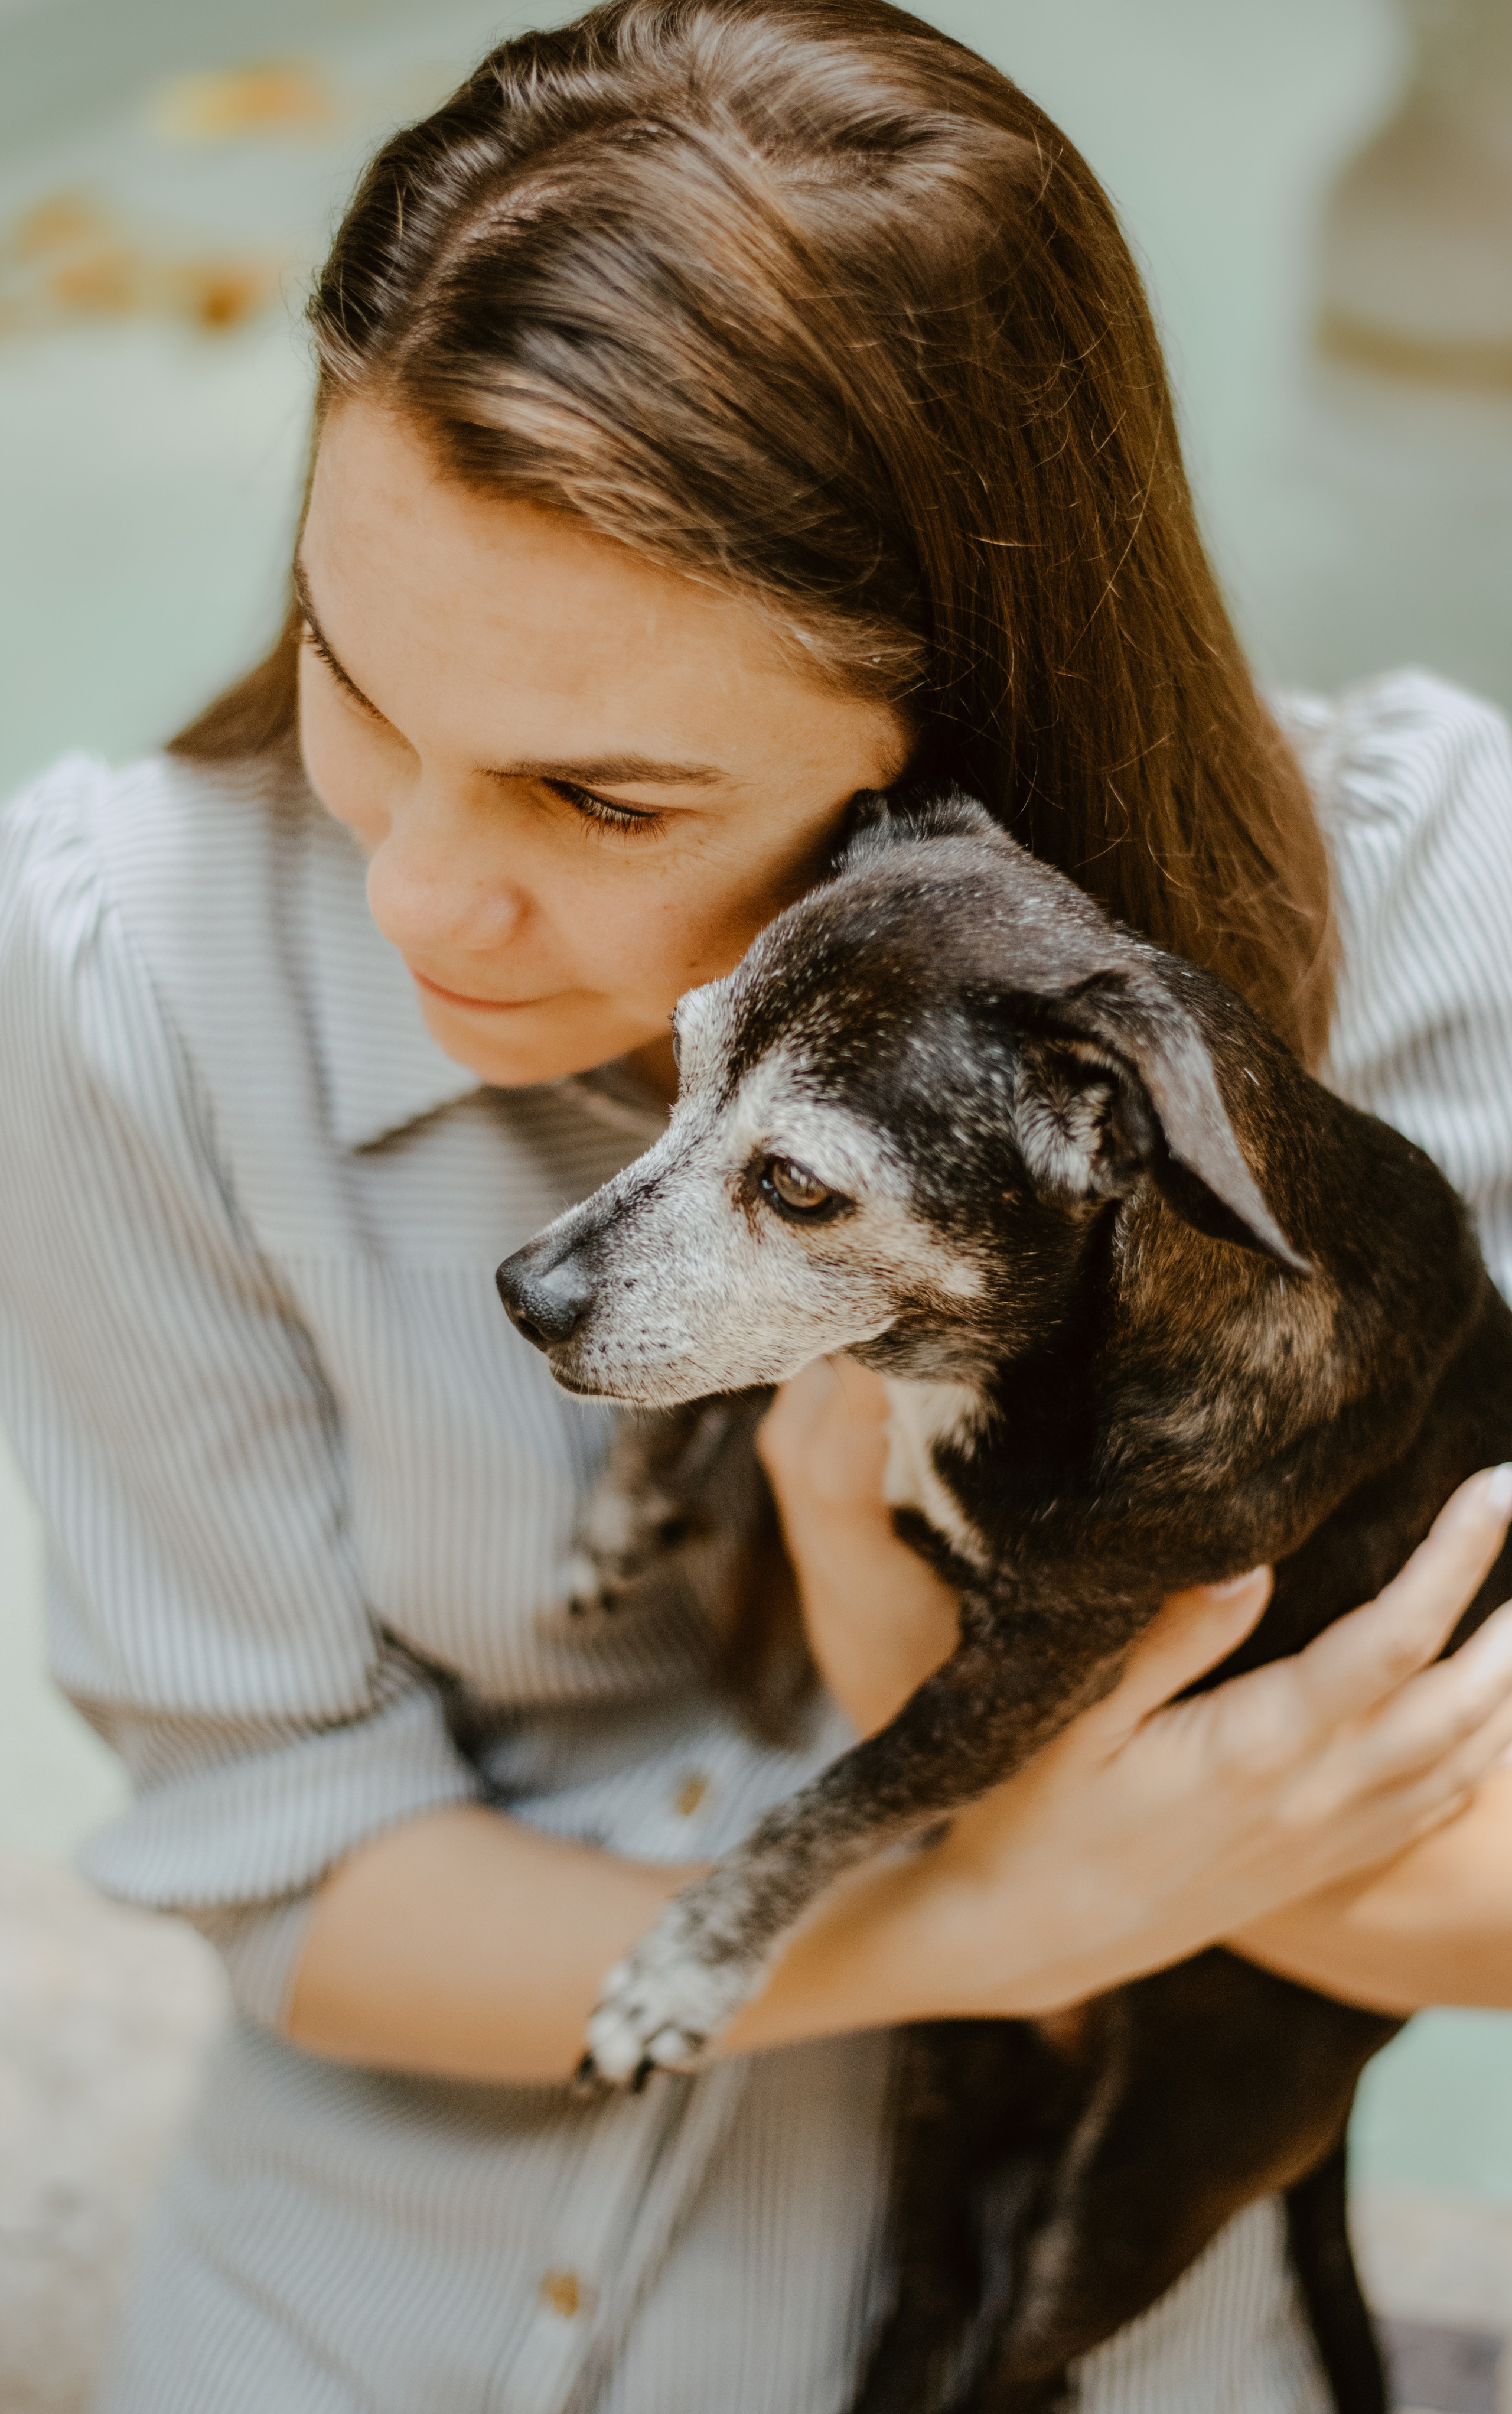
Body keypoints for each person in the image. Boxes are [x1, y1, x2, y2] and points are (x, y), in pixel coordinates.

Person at [2, 5, 1510, 2408]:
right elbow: (291, 1871)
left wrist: (905, 1614)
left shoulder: (1427, 903)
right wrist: (994, 1913)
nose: (415, 890)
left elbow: (1496, 1877)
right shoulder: (122, 951)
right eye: (353, 674)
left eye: (598, 799)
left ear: (954, 751)